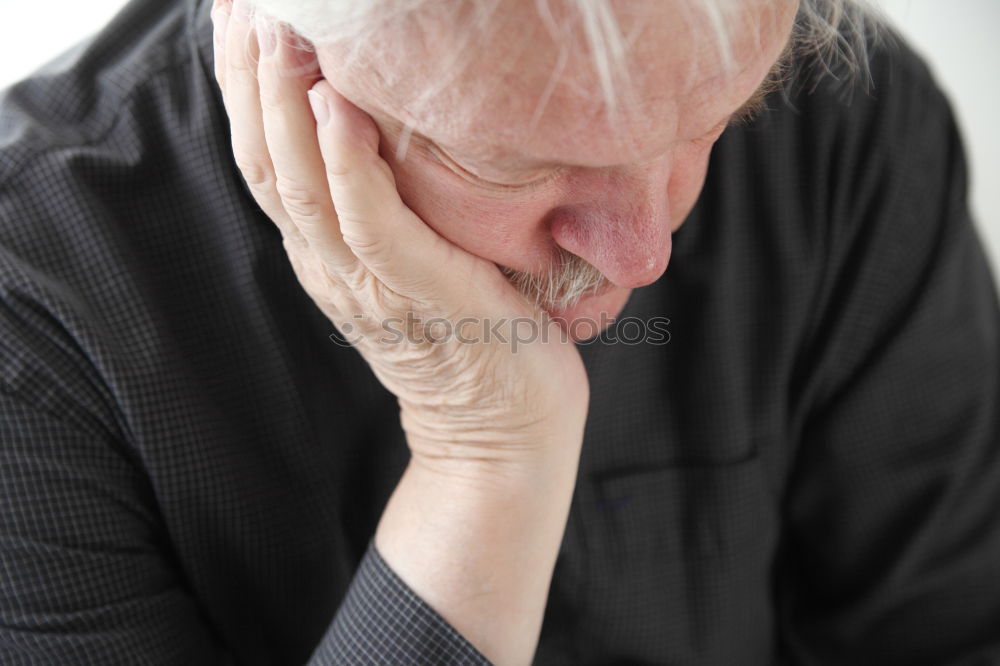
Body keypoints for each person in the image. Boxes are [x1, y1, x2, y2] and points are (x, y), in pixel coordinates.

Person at [1, 0, 997, 663]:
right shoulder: (30, 319)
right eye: (519, 165)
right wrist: (485, 453)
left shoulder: (851, 131)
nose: (643, 249)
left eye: (712, 119)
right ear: (281, 45)